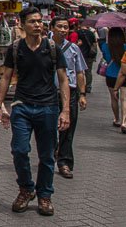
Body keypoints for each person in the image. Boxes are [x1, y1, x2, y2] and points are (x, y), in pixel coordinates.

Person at [0, 6, 69, 217]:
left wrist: (65, 111)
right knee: (19, 150)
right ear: (22, 24)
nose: (38, 25)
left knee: (47, 155)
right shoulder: (15, 48)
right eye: (32, 22)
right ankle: (26, 189)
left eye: (39, 21)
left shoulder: (52, 47)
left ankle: (44, 195)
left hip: (48, 107)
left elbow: (63, 80)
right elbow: (6, 77)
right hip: (22, 105)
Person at [49, 17, 87, 179]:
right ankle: (51, 154)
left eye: (66, 27)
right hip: (47, 94)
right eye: (60, 27)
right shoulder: (43, 46)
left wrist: (82, 94)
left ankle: (64, 162)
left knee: (68, 128)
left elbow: (79, 72)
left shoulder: (73, 49)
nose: (63, 30)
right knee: (48, 127)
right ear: (51, 27)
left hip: (69, 94)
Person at [101, 27, 126, 133]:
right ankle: (124, 122)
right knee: (125, 99)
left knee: (114, 98)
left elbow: (106, 58)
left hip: (110, 74)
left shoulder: (105, 46)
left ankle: (117, 119)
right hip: (124, 75)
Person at [76, 24, 97, 94]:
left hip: (80, 54)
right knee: (88, 71)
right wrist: (94, 55)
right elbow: (94, 44)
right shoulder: (91, 33)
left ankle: (80, 87)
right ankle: (88, 87)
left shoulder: (77, 33)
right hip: (89, 55)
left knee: (79, 71)